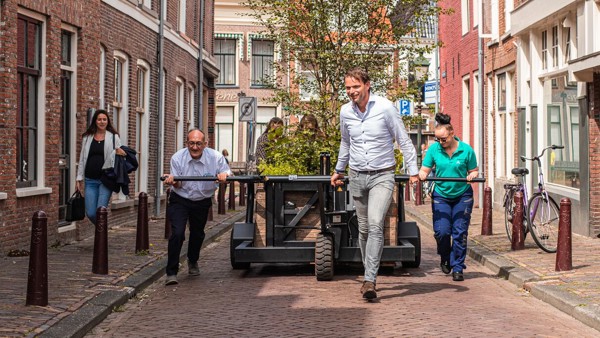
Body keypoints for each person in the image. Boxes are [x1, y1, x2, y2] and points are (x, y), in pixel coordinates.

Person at [330, 67, 419, 300]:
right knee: (364, 228)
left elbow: (403, 139)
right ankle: (368, 273)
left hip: (383, 175)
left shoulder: (385, 108)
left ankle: (370, 279)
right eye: (348, 87)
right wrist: (339, 170)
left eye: (356, 86)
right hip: (357, 175)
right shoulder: (345, 112)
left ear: (367, 84)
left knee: (376, 223)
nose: (351, 91)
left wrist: (413, 171)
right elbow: (346, 143)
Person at [162, 129, 232, 285]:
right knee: (177, 233)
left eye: (198, 144)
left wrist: (224, 176)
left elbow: (227, 173)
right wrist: (173, 181)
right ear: (187, 143)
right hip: (181, 199)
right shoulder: (177, 158)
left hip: (202, 200)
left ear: (205, 144)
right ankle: (171, 272)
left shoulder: (215, 157)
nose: (195, 147)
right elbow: (178, 183)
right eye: (191, 143)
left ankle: (192, 260)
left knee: (197, 233)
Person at [418, 113, 478, 282]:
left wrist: (473, 175)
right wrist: (421, 175)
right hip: (442, 195)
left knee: (459, 232)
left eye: (443, 139)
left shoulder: (466, 150)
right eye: (438, 140)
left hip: (462, 195)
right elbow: (425, 169)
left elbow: (474, 170)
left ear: (452, 134)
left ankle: (458, 267)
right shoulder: (434, 150)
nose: (441, 142)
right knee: (442, 231)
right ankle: (445, 256)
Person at [76, 109, 126, 225]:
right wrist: (79, 178)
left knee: (100, 211)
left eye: (104, 119)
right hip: (90, 180)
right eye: (99, 119)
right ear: (95, 121)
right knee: (91, 213)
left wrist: (117, 151)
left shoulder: (113, 137)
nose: (102, 122)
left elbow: (121, 155)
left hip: (106, 180)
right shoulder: (87, 137)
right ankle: (102, 232)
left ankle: (101, 240)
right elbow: (82, 158)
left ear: (108, 121)